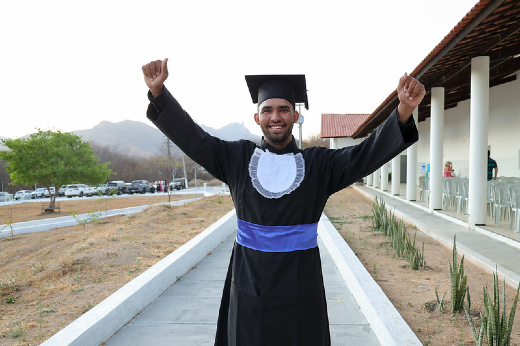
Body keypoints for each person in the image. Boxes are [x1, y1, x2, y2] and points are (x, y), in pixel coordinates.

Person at [142, 58, 425, 346]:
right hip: (249, 287)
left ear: (295, 116)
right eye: (268, 110)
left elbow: (364, 154)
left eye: (283, 110)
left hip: (301, 289)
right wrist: (159, 93)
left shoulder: (317, 165)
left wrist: (403, 110)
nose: (275, 117)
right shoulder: (237, 159)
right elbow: (194, 139)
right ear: (257, 118)